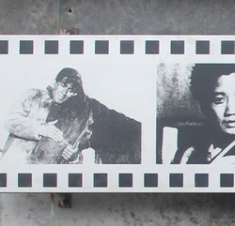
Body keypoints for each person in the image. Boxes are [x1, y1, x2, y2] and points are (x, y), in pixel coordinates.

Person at [1, 68, 141, 165]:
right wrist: (41, 128)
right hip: (13, 163)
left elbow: (71, 150)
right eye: (63, 85)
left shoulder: (72, 117)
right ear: (55, 82)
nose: (64, 93)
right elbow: (10, 121)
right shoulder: (34, 95)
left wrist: (74, 157)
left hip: (42, 176)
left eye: (70, 90)